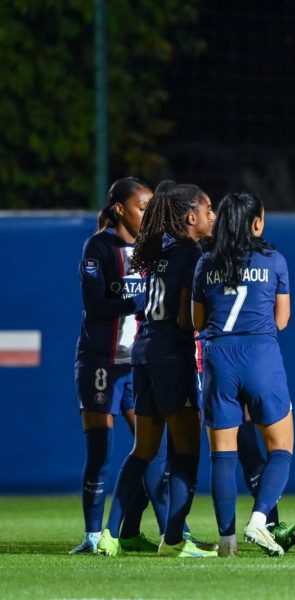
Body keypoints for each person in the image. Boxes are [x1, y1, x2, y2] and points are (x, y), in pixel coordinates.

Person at [97, 181, 217, 558]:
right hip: (171, 357)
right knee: (187, 451)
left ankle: (109, 535)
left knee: (143, 450)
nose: (213, 216)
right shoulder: (192, 254)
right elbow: (185, 320)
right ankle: (175, 540)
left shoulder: (154, 251)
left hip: (143, 353)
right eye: (208, 209)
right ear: (190, 217)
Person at [71, 177, 171, 554]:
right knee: (100, 452)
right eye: (142, 208)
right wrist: (139, 304)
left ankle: (172, 534)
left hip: (138, 365)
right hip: (101, 362)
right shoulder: (99, 247)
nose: (147, 215)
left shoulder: (153, 249)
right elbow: (95, 305)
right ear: (120, 209)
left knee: (150, 451)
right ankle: (94, 536)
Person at [192, 192, 295, 557]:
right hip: (260, 355)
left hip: (219, 358)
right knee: (281, 448)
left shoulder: (205, 263)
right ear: (256, 223)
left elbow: (197, 322)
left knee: (222, 456)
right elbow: (282, 320)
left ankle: (226, 541)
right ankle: (259, 518)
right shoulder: (275, 260)